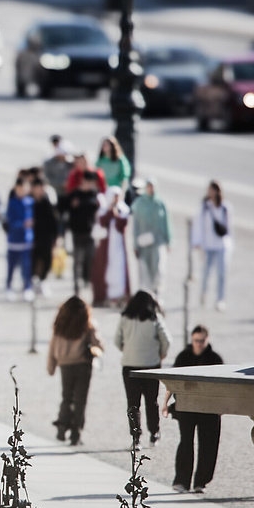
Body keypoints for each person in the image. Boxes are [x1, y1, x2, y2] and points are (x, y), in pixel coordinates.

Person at [164, 325, 224, 493]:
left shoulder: (214, 358)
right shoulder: (183, 356)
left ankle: (201, 482)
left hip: (209, 408)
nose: (198, 344)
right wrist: (165, 403)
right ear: (192, 340)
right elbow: (172, 382)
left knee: (208, 444)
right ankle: (182, 481)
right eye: (196, 340)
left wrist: (223, 406)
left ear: (207, 340)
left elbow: (223, 385)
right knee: (185, 442)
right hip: (186, 406)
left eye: (202, 341)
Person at [115, 291, 171, 449]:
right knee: (151, 401)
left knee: (133, 403)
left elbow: (116, 340)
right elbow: (166, 340)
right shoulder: (154, 319)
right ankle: (154, 433)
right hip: (151, 365)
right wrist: (161, 354)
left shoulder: (125, 318)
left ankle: (136, 437)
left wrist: (127, 351)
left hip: (129, 365)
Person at [47, 296, 103, 446]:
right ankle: (75, 433)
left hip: (64, 364)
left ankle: (62, 425)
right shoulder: (87, 324)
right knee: (80, 400)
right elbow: (99, 345)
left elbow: (52, 346)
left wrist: (51, 366)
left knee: (66, 396)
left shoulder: (59, 325)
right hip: (82, 364)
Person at [191, 181, 232, 311]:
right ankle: (203, 294)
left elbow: (229, 228)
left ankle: (220, 299)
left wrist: (230, 245)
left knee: (221, 274)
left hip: (220, 245)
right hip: (208, 245)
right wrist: (197, 242)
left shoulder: (225, 207)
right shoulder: (205, 206)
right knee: (206, 273)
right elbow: (199, 225)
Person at [130, 178, 171, 296]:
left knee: (158, 269)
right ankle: (145, 295)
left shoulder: (160, 203)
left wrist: (168, 240)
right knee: (144, 271)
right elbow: (136, 226)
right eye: (148, 186)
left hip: (157, 242)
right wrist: (135, 245)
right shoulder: (139, 204)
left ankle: (156, 294)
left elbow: (166, 222)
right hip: (143, 243)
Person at [91, 186, 130, 307]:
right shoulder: (104, 209)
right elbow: (102, 222)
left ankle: (119, 296)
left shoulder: (123, 209)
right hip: (107, 247)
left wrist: (116, 214)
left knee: (119, 270)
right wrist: (109, 211)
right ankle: (106, 296)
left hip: (119, 247)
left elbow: (122, 225)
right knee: (107, 270)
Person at [68, 171, 101, 291]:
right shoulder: (75, 194)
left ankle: (87, 280)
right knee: (77, 259)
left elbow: (97, 207)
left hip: (90, 231)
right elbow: (66, 207)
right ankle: (77, 284)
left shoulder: (94, 194)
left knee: (90, 258)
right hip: (77, 232)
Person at [4, 178, 35, 302]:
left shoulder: (30, 202)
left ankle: (27, 287)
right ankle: (9, 286)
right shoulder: (12, 203)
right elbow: (10, 222)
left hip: (26, 240)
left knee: (27, 266)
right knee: (11, 266)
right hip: (14, 240)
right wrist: (23, 224)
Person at [30, 178, 59, 296]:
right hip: (32, 238)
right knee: (32, 260)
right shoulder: (29, 202)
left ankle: (43, 281)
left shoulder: (47, 202)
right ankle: (32, 281)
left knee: (47, 259)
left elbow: (54, 221)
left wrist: (56, 237)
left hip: (46, 237)